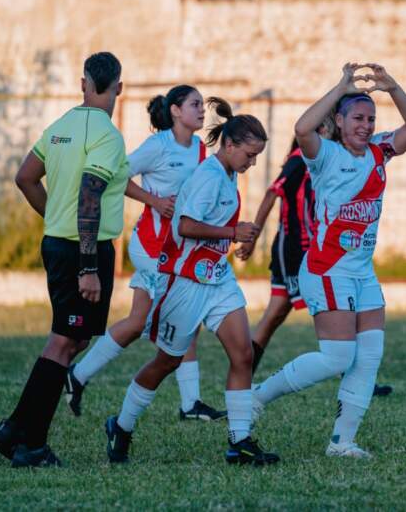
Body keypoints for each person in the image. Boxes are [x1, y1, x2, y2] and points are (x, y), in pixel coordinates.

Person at [251, 63, 406, 459]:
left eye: (370, 119)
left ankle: (342, 443)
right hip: (327, 269)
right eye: (357, 118)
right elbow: (302, 128)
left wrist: (393, 87)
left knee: (369, 356)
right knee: (336, 357)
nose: (365, 125)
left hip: (362, 272)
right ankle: (255, 398)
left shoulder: (380, 151)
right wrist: (340, 86)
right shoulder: (324, 155)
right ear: (341, 121)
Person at [104, 97, 279, 466]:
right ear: (229, 146)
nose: (252, 163)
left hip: (216, 278)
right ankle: (121, 425)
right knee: (166, 362)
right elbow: (184, 226)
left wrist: (229, 238)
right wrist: (234, 232)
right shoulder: (208, 175)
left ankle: (240, 442)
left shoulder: (228, 172)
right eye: (249, 155)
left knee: (243, 354)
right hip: (183, 282)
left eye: (256, 156)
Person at [0, 52, 128, 467]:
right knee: (65, 340)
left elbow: (25, 177)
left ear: (82, 82)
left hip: (59, 242)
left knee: (74, 338)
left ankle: (15, 429)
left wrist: (53, 216)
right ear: (119, 86)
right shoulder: (108, 135)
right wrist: (88, 266)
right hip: (84, 249)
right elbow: (89, 197)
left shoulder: (61, 125)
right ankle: (29, 444)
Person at [65, 84, 225, 422]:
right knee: (186, 313)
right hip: (152, 247)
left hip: (176, 250)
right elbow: (117, 176)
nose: (201, 110)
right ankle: (189, 404)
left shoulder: (199, 149)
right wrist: (153, 201)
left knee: (142, 322)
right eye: (194, 104)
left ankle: (78, 375)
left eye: (202, 105)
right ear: (176, 111)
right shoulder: (158, 145)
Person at [238, 120, 394, 396]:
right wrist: (253, 236)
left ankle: (356, 375)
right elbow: (273, 192)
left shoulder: (336, 158)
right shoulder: (301, 159)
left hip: (312, 249)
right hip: (294, 247)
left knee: (276, 315)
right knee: (283, 315)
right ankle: (244, 385)